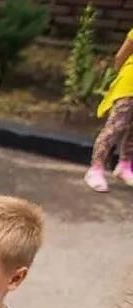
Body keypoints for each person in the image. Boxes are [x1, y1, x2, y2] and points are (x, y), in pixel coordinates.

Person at [84, 27, 133, 192]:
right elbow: (120, 56)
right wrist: (121, 75)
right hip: (129, 86)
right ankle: (95, 169)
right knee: (116, 127)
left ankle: (124, 166)